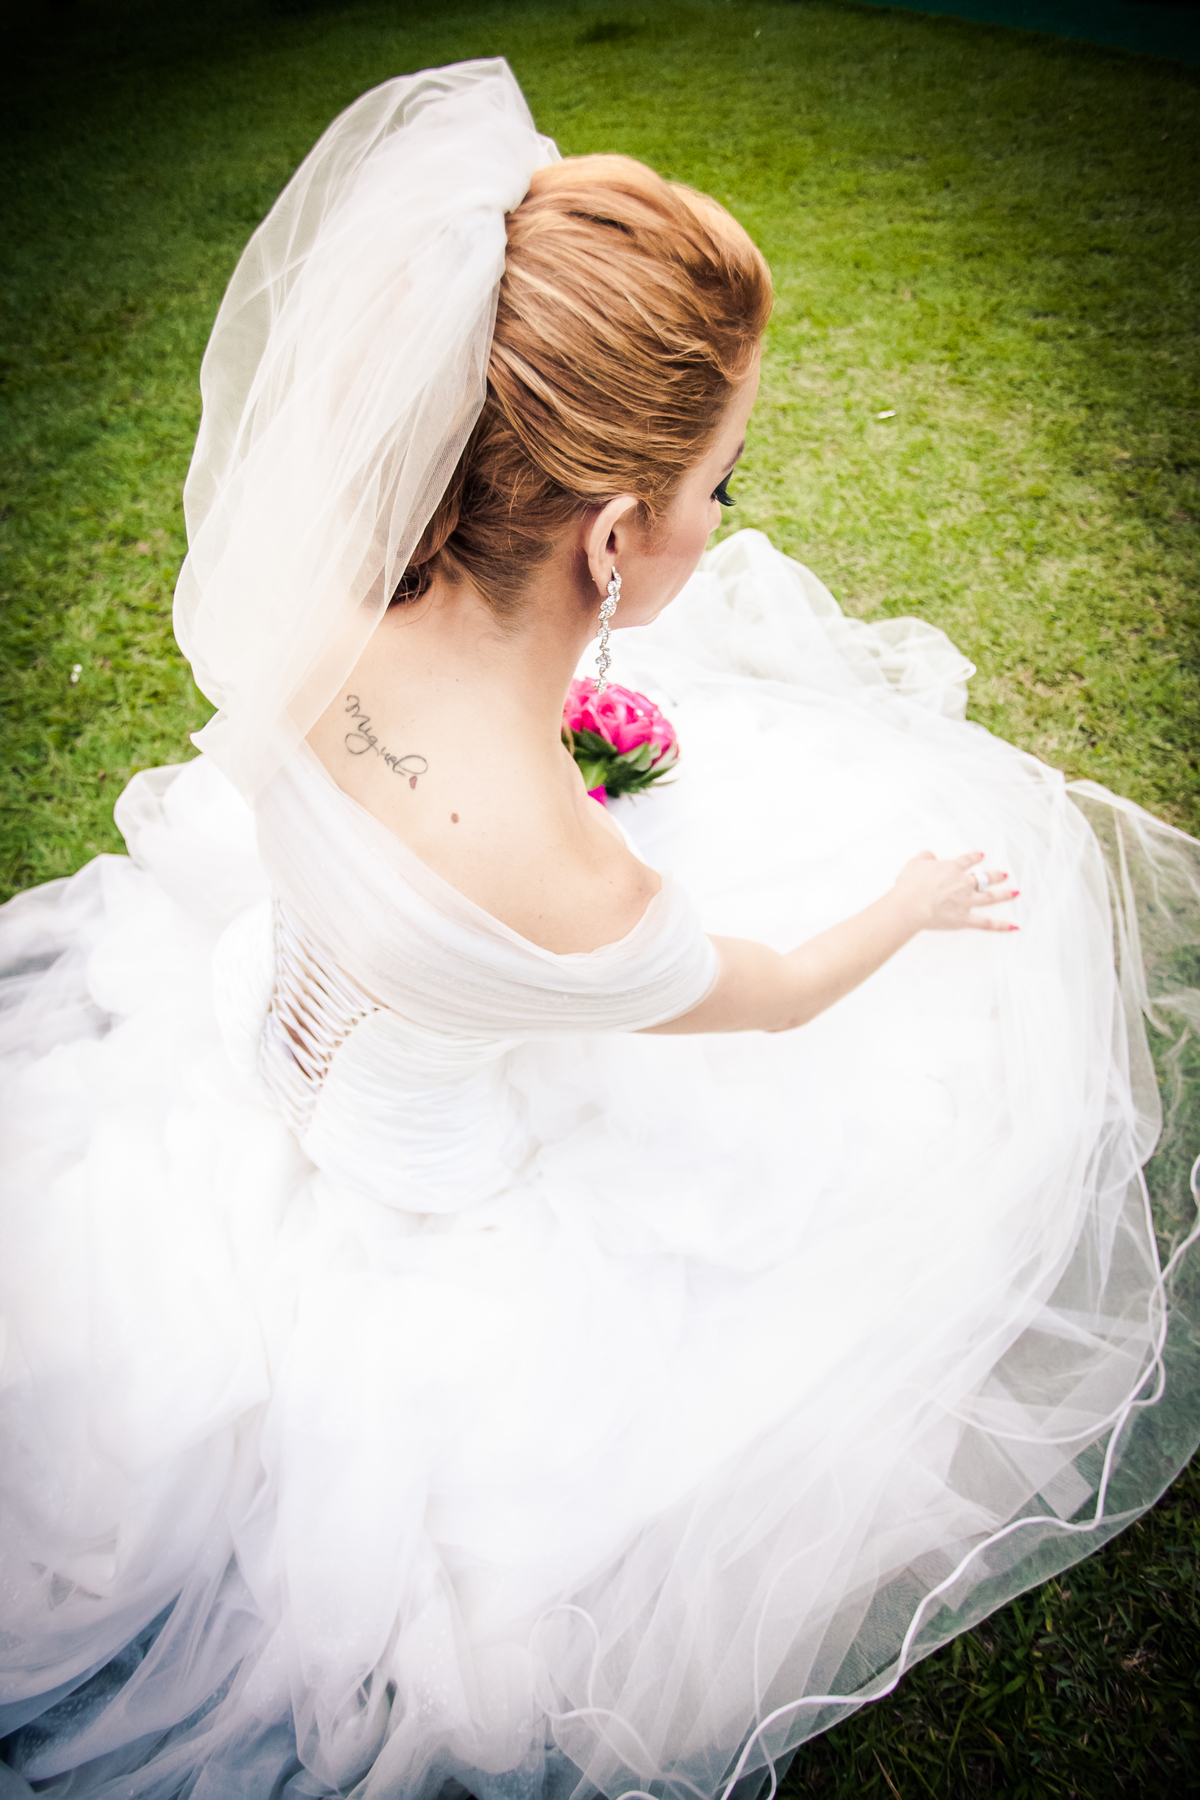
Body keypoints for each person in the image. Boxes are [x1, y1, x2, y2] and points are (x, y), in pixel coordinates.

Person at [1, 56, 1197, 1800]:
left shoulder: (305, 618)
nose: (729, 514)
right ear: (620, 536)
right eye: (725, 478)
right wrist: (911, 904)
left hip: (282, 1036)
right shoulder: (576, 884)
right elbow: (779, 997)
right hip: (436, 1189)